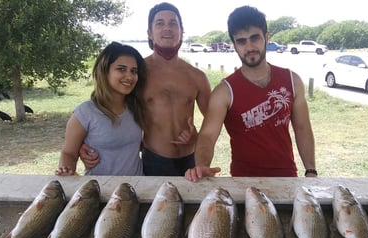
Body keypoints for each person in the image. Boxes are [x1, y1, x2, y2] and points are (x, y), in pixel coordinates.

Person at [185, 6, 317, 182]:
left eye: (255, 38)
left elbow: (302, 128)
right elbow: (208, 135)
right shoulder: (224, 91)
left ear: (266, 37)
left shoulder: (292, 81)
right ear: (234, 45)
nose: (249, 47)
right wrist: (202, 164)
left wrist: (311, 170)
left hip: (286, 177)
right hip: (243, 181)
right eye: (241, 41)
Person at [79, 2, 211, 176]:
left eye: (173, 23)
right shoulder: (136, 72)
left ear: (181, 31)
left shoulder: (197, 77)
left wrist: (197, 137)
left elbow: (213, 121)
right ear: (149, 32)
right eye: (160, 23)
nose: (167, 28)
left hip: (191, 159)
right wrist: (81, 142)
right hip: (153, 160)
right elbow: (104, 105)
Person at [55, 42, 146, 176]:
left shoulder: (137, 107)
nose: (130, 76)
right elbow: (68, 153)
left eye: (134, 71)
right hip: (99, 192)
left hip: (135, 191)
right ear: (104, 71)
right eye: (121, 69)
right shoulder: (85, 112)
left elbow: (137, 145)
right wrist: (67, 170)